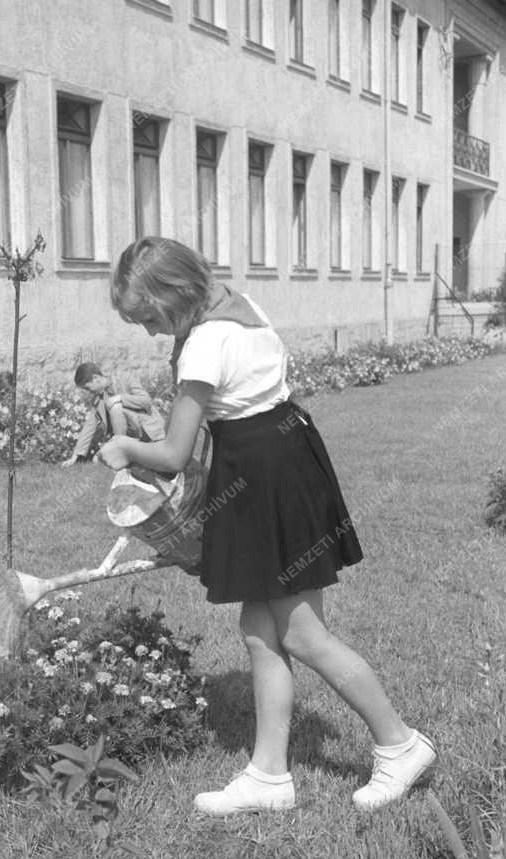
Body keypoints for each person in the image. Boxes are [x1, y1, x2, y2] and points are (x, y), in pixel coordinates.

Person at [99, 236, 435, 815]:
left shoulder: (205, 341)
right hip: (278, 461)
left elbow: (175, 453)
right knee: (260, 628)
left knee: (302, 634)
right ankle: (269, 774)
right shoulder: (239, 305)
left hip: (266, 475)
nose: (150, 331)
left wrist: (125, 446)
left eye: (149, 316)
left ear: (172, 293)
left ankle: (400, 744)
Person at [61, 361, 166, 466]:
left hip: (149, 433)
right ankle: (125, 453)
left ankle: (121, 454)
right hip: (130, 438)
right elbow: (89, 426)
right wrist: (74, 457)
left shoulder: (125, 378)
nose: (89, 392)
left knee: (115, 407)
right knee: (96, 461)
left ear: (96, 378)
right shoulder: (98, 400)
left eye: (88, 388)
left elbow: (146, 401)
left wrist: (120, 398)